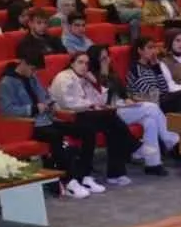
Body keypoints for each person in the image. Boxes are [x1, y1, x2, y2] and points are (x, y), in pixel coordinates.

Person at [0, 45, 102, 199]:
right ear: (23, 63)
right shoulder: (6, 83)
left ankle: (84, 174)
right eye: (32, 69)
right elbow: (6, 110)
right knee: (56, 135)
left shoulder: (32, 77)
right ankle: (69, 180)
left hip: (47, 119)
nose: (34, 73)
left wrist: (51, 104)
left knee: (87, 130)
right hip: (28, 125)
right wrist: (32, 108)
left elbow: (45, 96)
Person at [48, 51, 139, 184]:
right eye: (80, 62)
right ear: (72, 63)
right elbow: (68, 103)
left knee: (113, 124)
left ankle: (116, 173)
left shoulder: (85, 78)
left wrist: (95, 82)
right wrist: (91, 105)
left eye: (86, 63)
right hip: (67, 118)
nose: (84, 66)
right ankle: (133, 147)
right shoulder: (64, 77)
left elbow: (101, 100)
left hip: (86, 115)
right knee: (110, 120)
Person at [90, 44, 178, 174]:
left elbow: (123, 94)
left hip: (122, 108)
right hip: (109, 113)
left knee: (150, 121)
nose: (108, 60)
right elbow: (101, 101)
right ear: (95, 61)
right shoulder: (92, 76)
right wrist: (103, 76)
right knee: (152, 107)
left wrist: (129, 101)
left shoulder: (112, 74)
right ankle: (171, 140)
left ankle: (153, 164)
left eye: (108, 57)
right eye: (103, 58)